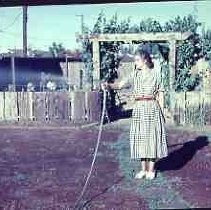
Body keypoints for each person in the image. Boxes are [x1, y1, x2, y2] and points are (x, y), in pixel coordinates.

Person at [102, 48, 168, 180]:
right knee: (141, 138)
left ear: (145, 60)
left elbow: (160, 94)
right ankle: (143, 169)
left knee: (151, 138)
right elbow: (120, 85)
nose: (135, 62)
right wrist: (108, 85)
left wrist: (162, 111)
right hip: (139, 108)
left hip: (152, 107)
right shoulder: (134, 74)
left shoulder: (156, 74)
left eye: (137, 60)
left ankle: (151, 170)